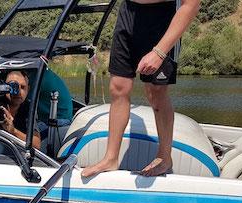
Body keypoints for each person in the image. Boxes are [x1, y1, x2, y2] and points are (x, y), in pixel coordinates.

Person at [82, 0, 200, 178]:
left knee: (156, 92)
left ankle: (164, 158)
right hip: (128, 12)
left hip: (162, 18)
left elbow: (191, 4)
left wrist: (160, 52)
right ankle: (111, 158)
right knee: (118, 86)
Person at [0, 70, 41, 153]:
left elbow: (37, 145)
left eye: (22, 87)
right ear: (3, 86)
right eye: (12, 87)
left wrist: (13, 131)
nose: (18, 92)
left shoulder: (27, 107)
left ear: (28, 89)